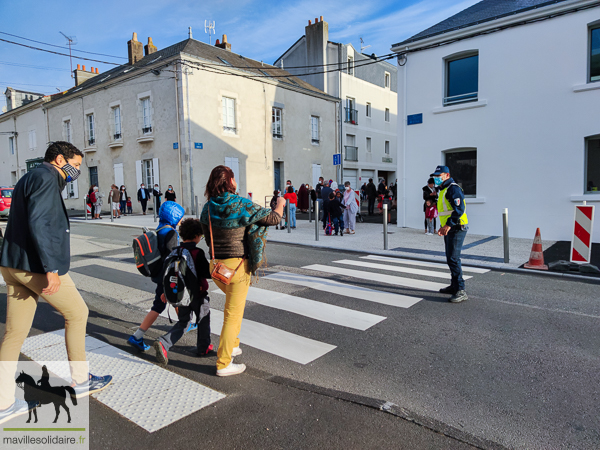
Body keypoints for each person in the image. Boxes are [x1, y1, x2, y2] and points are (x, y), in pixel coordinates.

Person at [0, 141, 112, 425]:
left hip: (13, 265)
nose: (77, 171)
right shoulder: (47, 177)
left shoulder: (29, 176)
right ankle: (80, 379)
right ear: (59, 158)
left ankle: (3, 404)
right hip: (36, 266)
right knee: (78, 313)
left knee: (13, 335)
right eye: (75, 165)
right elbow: (41, 223)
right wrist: (50, 268)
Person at [200, 165, 284, 376]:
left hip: (217, 267)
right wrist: (280, 204)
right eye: (233, 178)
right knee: (232, 315)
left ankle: (233, 344)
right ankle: (223, 363)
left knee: (232, 309)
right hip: (237, 268)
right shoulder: (241, 205)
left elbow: (206, 235)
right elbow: (273, 219)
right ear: (229, 181)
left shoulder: (207, 208)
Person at [153, 218, 213, 366]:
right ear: (198, 236)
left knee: (183, 322)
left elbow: (167, 275)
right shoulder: (197, 252)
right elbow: (206, 273)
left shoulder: (174, 252)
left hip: (181, 295)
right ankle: (203, 348)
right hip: (197, 295)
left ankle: (164, 343)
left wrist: (166, 292)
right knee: (203, 319)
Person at [128, 201, 187, 351]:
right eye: (179, 217)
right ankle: (137, 336)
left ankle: (185, 321)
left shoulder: (160, 229)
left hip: (160, 275)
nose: (181, 220)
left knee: (169, 303)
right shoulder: (171, 233)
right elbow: (172, 258)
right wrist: (173, 280)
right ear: (173, 217)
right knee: (163, 304)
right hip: (167, 277)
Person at [431, 165, 469, 303]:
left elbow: (459, 209)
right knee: (450, 258)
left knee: (453, 258)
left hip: (457, 227)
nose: (436, 178)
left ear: (447, 175)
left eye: (438, 176)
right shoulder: (443, 189)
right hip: (450, 227)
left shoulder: (453, 188)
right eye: (435, 176)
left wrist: (448, 224)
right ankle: (454, 286)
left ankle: (460, 289)